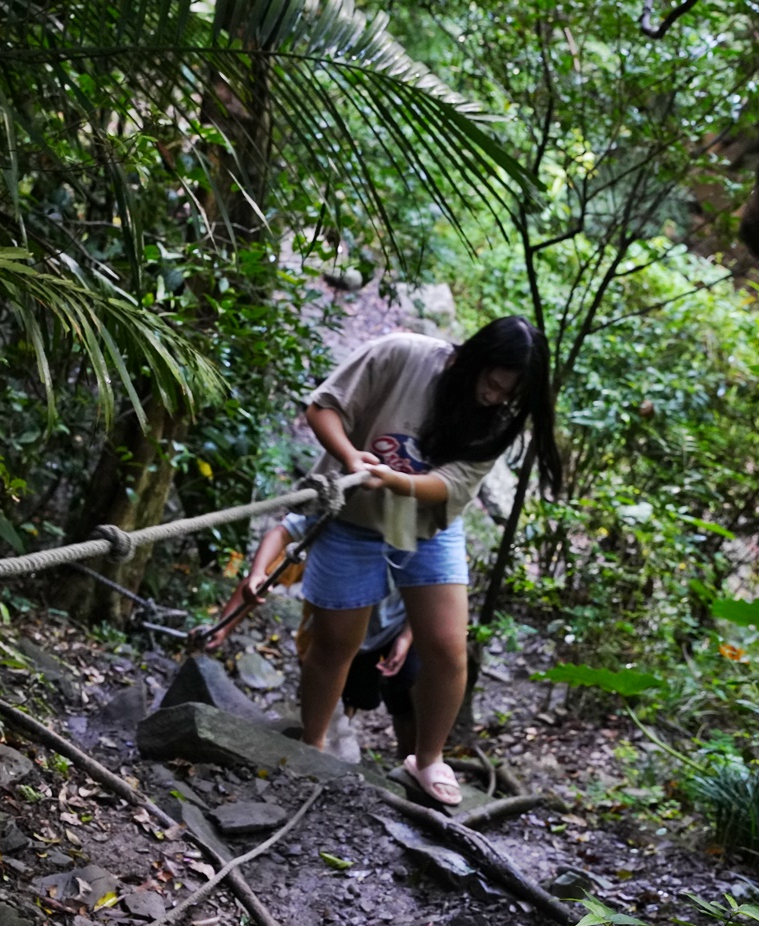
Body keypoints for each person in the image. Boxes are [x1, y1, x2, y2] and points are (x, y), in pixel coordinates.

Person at [296, 316, 561, 805]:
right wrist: (353, 460)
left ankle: (428, 758)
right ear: (469, 360)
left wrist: (396, 482)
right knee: (336, 642)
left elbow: (451, 486)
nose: (495, 398)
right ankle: (313, 744)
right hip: (352, 516)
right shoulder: (402, 355)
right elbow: (323, 409)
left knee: (446, 646)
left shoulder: (501, 418)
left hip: (427, 526)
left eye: (509, 393)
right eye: (492, 383)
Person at [205, 514, 420, 756]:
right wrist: (223, 628)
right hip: (334, 636)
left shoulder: (415, 533)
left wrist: (406, 637)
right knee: (339, 687)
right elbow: (264, 577)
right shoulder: (329, 527)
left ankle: (407, 759)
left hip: (394, 628)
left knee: (401, 689)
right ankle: (323, 743)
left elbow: (427, 590)